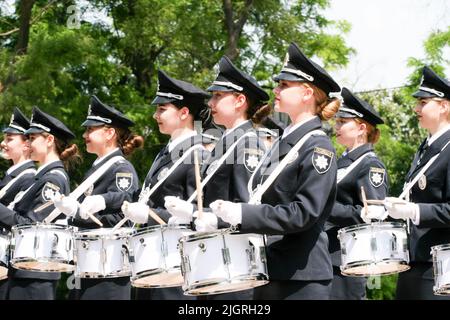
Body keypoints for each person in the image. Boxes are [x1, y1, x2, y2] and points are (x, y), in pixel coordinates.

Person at [204, 42, 341, 300]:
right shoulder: (283, 142)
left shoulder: (317, 146)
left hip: (301, 279)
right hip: (270, 270)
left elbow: (303, 213)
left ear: (307, 93)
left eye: (284, 85)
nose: (275, 90)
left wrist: (242, 213)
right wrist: (224, 217)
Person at [163, 55, 270, 300]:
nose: (210, 102)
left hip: (235, 271)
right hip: (214, 266)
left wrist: (212, 220)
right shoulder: (227, 141)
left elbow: (249, 208)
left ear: (240, 101)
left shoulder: (248, 144)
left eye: (218, 96)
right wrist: (189, 213)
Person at [121, 70, 211, 300]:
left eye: (162, 109)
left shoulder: (196, 154)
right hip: (152, 262)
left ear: (183, 113)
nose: (155, 115)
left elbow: (197, 216)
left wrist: (149, 215)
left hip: (176, 267)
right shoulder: (166, 151)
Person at [53, 95, 142, 300]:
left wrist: (77, 213)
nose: (84, 134)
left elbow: (121, 220)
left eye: (90, 129)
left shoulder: (121, 168)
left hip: (108, 269)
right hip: (88, 266)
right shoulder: (97, 168)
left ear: (109, 132)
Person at [384, 66, 450, 300]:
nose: (416, 108)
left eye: (423, 102)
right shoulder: (426, 148)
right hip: (413, 262)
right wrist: (386, 211)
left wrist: (414, 211)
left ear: (443, 106)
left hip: (439, 268)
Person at [0, 107, 79, 300]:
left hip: (36, 272)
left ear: (49, 140)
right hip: (26, 270)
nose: (27, 143)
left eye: (32, 138)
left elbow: (30, 224)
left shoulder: (53, 179)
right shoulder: (42, 176)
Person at [325, 87, 388, 300]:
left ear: (361, 128)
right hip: (325, 256)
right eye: (338, 121)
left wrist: (324, 208)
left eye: (343, 122)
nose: (337, 126)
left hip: (348, 259)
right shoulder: (340, 161)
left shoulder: (370, 165)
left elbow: (371, 215)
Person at [0, 108, 36, 299]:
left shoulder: (29, 177)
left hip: (7, 261)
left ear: (26, 145)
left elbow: (23, 221)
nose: (3, 143)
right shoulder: (12, 175)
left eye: (9, 138)